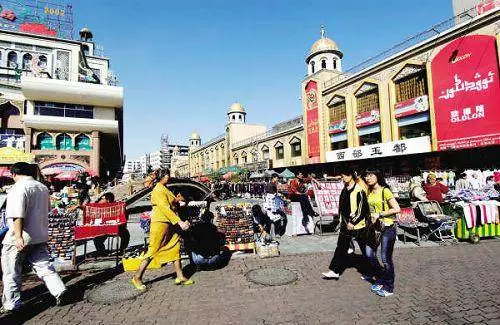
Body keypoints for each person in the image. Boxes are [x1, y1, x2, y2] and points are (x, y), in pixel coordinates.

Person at [1, 162, 67, 314]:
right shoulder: (42, 188)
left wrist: (18, 237)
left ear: (14, 174)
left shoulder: (18, 188)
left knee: (11, 271)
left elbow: (17, 214)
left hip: (20, 237)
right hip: (39, 235)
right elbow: (47, 211)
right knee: (44, 266)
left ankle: (11, 304)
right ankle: (59, 289)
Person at [132, 168, 193, 290]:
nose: (169, 177)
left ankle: (180, 275)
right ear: (163, 176)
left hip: (170, 223)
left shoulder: (164, 188)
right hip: (160, 223)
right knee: (153, 249)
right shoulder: (158, 189)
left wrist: (177, 203)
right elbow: (165, 208)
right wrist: (180, 222)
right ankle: (137, 277)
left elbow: (170, 204)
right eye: (167, 175)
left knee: (175, 247)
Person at [322, 168, 370, 280]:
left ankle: (371, 270)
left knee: (365, 249)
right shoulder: (345, 189)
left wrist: (353, 222)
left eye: (344, 176)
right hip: (345, 224)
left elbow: (363, 209)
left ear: (350, 176)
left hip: (358, 225)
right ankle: (335, 270)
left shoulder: (359, 190)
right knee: (341, 247)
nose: (342, 178)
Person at [363, 169, 400, 297]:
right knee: (368, 253)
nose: (367, 178)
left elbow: (397, 208)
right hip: (375, 229)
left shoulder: (385, 191)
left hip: (387, 228)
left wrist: (380, 214)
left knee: (386, 259)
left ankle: (389, 287)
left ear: (378, 176)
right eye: (366, 176)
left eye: (370, 175)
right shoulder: (369, 192)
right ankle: (380, 276)